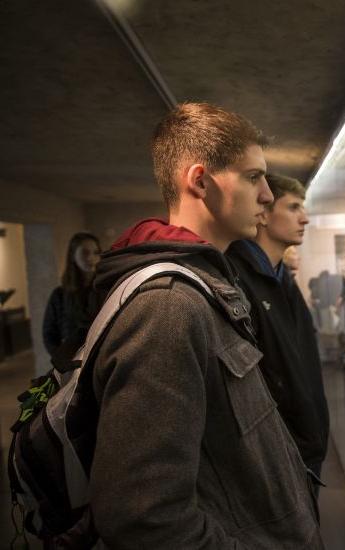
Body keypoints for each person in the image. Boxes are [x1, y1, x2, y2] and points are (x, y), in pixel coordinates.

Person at [88, 103, 321, 547]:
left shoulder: (208, 287)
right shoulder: (168, 307)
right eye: (253, 177)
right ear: (199, 181)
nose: (267, 195)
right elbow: (144, 516)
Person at [226, 174, 330, 481]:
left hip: (304, 446)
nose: (305, 218)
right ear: (265, 214)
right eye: (294, 207)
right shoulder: (238, 278)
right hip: (280, 456)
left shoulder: (281, 277)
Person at [42, 232, 101, 360]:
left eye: (96, 252)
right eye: (85, 252)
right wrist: (61, 358)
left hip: (100, 361)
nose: (91, 258)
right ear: (73, 255)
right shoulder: (60, 295)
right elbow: (49, 335)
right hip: (72, 363)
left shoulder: (104, 289)